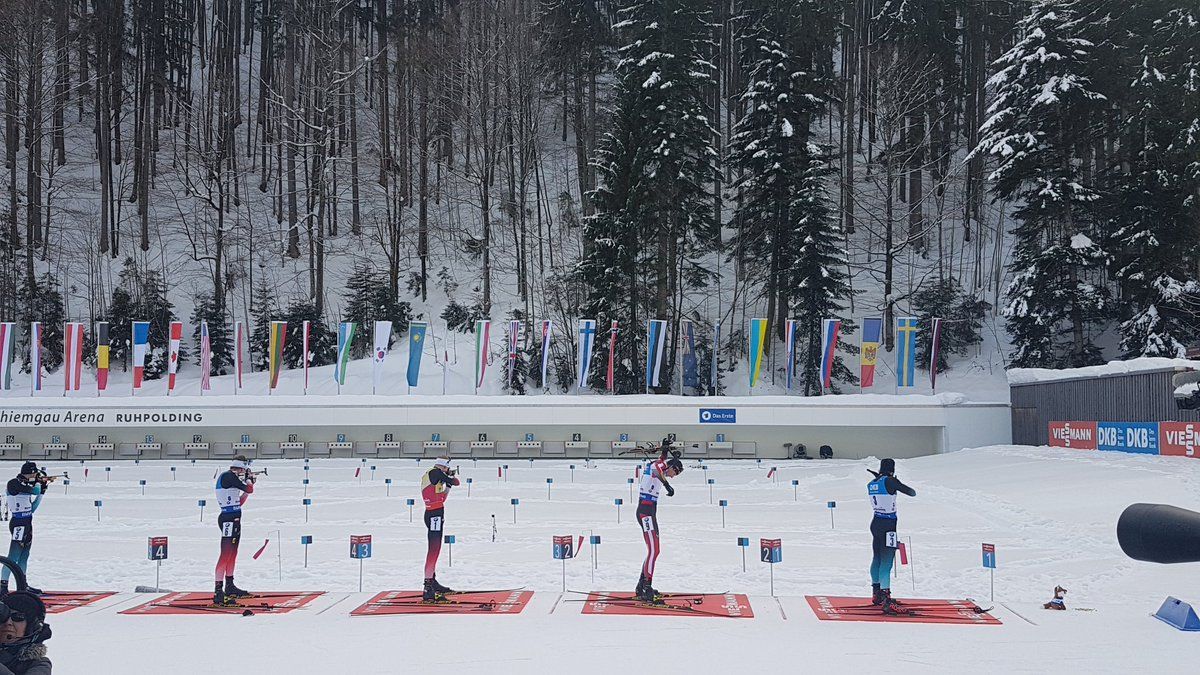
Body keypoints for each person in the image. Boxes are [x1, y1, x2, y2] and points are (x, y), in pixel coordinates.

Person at [634, 445, 684, 604]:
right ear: (671, 468)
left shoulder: (661, 465)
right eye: (675, 473)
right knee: (654, 551)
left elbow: (662, 461)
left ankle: (641, 586)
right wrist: (667, 484)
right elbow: (658, 469)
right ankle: (646, 587)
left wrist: (666, 449)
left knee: (654, 550)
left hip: (649, 512)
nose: (673, 477)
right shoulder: (658, 468)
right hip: (645, 512)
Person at [867, 458, 916, 614]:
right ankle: (886, 599)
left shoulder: (873, 483)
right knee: (887, 562)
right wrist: (895, 481)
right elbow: (911, 492)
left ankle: (877, 593)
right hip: (889, 525)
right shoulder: (890, 481)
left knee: (877, 558)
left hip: (876, 522)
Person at [2, 464, 51, 596]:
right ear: (29, 473)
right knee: (13, 557)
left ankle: (23, 585)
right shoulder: (14, 483)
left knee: (24, 556)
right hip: (18, 524)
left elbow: (31, 509)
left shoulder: (26, 487)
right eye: (34, 475)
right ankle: (3, 586)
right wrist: (38, 485)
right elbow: (33, 490)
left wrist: (42, 493)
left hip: (27, 523)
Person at [213, 456, 256, 606]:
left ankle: (229, 586)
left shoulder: (232, 479)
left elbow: (239, 502)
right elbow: (249, 488)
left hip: (234, 518)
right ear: (238, 468)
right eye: (243, 471)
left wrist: (246, 490)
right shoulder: (228, 477)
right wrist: (249, 480)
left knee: (233, 553)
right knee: (225, 554)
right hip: (227, 520)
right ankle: (218, 592)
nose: (243, 474)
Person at [420, 457, 460, 602]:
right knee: (434, 550)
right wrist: (450, 478)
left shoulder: (434, 476)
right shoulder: (435, 473)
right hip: (434, 515)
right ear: (444, 466)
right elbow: (456, 481)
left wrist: (448, 486)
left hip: (435, 512)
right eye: (447, 468)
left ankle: (432, 581)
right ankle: (428, 587)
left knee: (435, 549)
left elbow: (441, 498)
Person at [0, 591, 52, 674]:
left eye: (17, 617)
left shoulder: (39, 664)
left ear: (31, 626)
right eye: (3, 617)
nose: (8, 622)